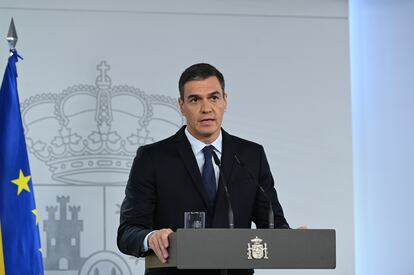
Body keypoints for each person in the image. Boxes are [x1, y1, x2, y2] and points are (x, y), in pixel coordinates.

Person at [117, 63, 289, 275]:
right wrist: (151, 238)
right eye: (195, 99)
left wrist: (293, 241)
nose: (206, 108)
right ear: (181, 105)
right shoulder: (152, 158)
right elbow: (127, 232)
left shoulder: (251, 155)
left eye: (214, 97)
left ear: (225, 101)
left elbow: (272, 224)